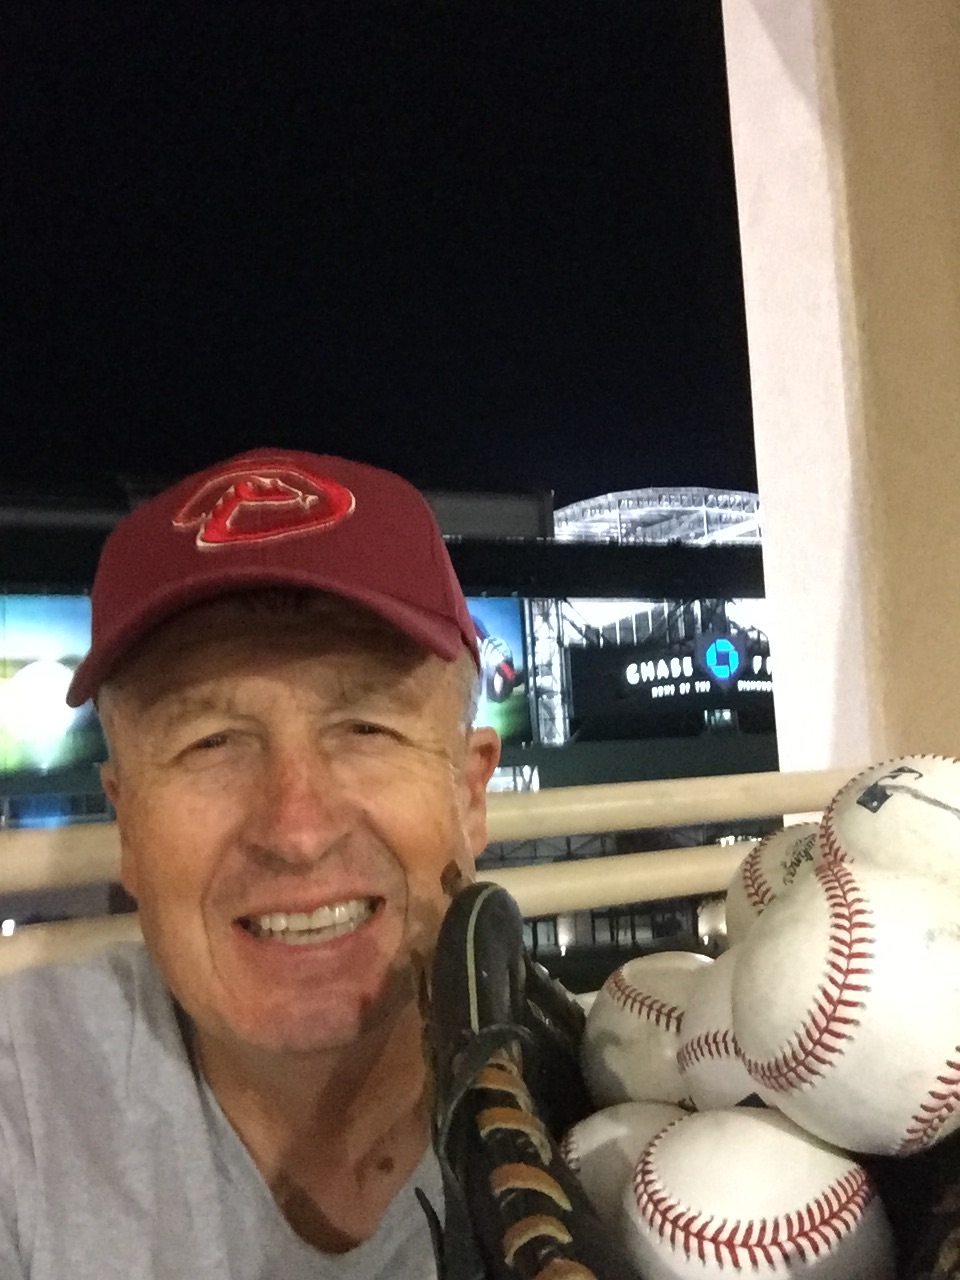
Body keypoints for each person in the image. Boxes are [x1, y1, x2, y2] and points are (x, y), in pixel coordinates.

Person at [0, 447, 501, 1279]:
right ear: (128, 825)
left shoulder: (623, 1110)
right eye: (210, 742)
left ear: (470, 794)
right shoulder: (25, 1104)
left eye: (366, 728)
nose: (297, 829)